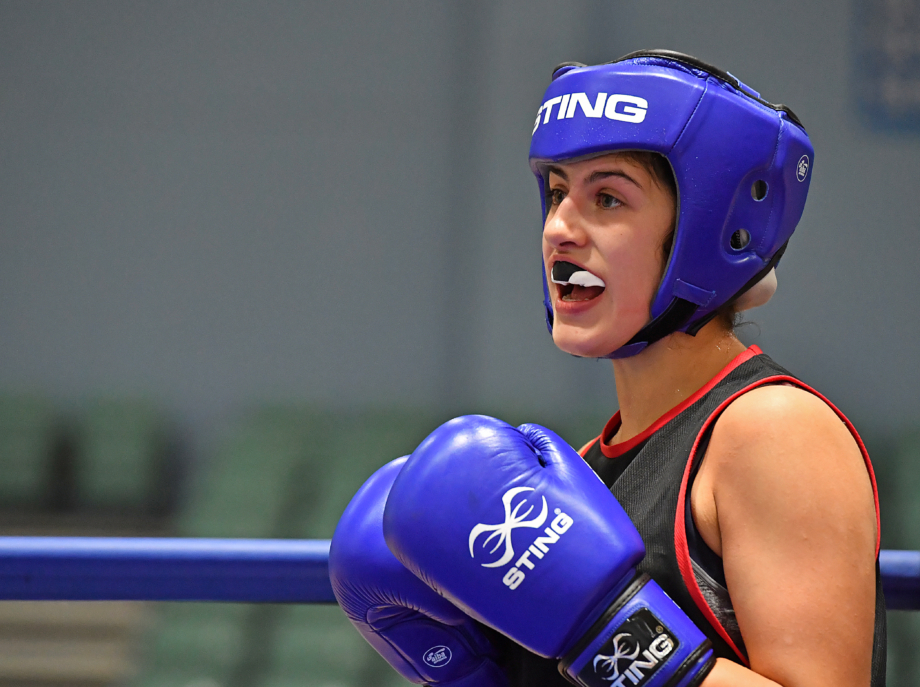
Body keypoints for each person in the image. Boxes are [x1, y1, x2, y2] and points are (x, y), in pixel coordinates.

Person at [331, 50, 884, 687]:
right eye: (557, 193)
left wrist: (607, 631)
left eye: (609, 198)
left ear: (705, 230)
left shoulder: (776, 433)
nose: (559, 228)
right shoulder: (585, 472)